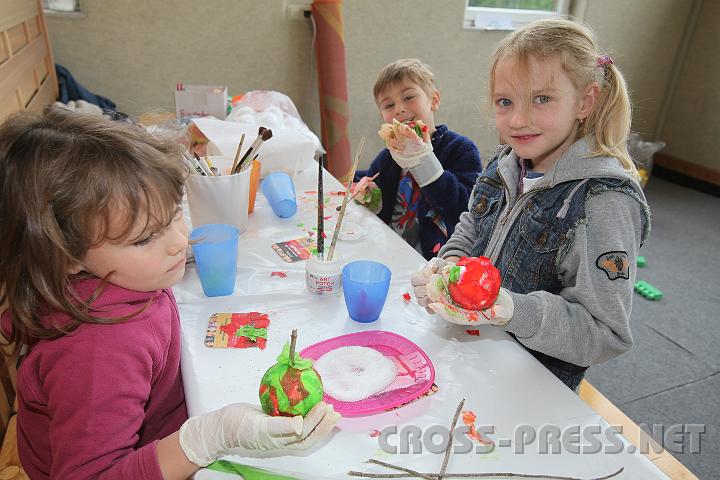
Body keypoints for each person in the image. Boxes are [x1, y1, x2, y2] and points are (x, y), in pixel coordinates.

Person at [0, 108, 339, 479]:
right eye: (146, 237)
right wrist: (206, 440)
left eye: (175, 214)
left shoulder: (120, 275)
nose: (180, 242)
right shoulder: (99, 349)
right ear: (66, 256)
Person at [412, 19, 650, 391]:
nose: (519, 120)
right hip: (470, 356)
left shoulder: (604, 201)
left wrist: (512, 309)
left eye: (542, 98)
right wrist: (450, 268)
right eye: (505, 102)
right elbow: (471, 226)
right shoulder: (505, 162)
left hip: (532, 386)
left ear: (585, 102)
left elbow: (604, 332)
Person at [355, 59, 482, 260]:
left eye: (408, 97)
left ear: (434, 100)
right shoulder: (388, 156)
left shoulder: (461, 149)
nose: (399, 109)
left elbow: (465, 209)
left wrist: (424, 162)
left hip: (436, 258)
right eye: (389, 105)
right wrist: (365, 191)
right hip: (390, 250)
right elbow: (372, 186)